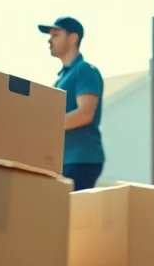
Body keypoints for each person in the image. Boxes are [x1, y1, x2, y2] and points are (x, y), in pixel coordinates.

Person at [38, 16, 105, 191]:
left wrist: (46, 126)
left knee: (67, 215)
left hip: (81, 160)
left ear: (73, 38)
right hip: (63, 161)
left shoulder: (85, 71)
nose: (49, 40)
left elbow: (85, 113)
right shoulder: (61, 78)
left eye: (55, 34)